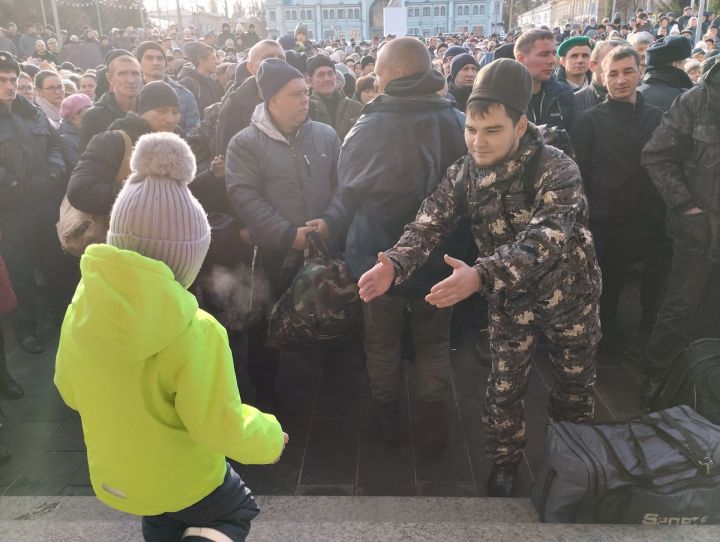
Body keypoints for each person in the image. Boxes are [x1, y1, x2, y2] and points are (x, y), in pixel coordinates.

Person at [358, 57, 601, 497]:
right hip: (509, 298)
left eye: (491, 131)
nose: (477, 142)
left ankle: (572, 464)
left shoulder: (557, 168)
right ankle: (505, 464)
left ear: (520, 126)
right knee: (504, 388)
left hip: (569, 298)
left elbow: (544, 238)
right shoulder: (465, 171)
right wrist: (394, 263)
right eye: (471, 130)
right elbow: (428, 222)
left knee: (574, 388)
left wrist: (478, 276)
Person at [55, 130, 287, 542]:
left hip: (117, 480)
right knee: (236, 508)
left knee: (161, 517)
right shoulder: (196, 330)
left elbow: (68, 389)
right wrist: (269, 437)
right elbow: (219, 425)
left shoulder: (81, 305)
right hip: (186, 480)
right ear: (187, 257)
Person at [339, 37, 467, 454]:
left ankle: (386, 419)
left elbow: (348, 185)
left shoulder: (369, 123)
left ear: (394, 74)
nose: (373, 79)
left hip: (378, 256)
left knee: (380, 342)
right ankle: (433, 428)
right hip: (442, 259)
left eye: (378, 71)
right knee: (433, 343)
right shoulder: (457, 120)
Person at [225, 59, 354, 409]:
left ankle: (334, 375)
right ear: (272, 100)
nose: (305, 100)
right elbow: (243, 195)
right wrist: (287, 234)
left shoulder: (326, 135)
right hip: (274, 253)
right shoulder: (245, 144)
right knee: (265, 325)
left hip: (324, 246)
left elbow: (344, 186)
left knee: (330, 310)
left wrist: (331, 221)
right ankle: (265, 389)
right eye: (296, 94)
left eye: (306, 94)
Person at [571, 46, 667, 350]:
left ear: (640, 72)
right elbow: (580, 173)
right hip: (606, 220)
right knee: (608, 286)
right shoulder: (589, 120)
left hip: (648, 216)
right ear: (601, 76)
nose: (621, 80)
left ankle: (648, 333)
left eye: (628, 71)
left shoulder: (656, 116)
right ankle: (606, 338)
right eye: (613, 73)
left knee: (651, 281)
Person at [640, 59, 720, 408]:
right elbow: (656, 154)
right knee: (679, 307)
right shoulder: (696, 101)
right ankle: (657, 379)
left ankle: (707, 380)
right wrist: (687, 205)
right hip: (698, 232)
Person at [0, 51, 66, 353]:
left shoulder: (32, 113)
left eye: (12, 79)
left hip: (43, 203)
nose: (9, 85)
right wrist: (13, 185)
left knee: (54, 264)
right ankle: (25, 329)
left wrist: (53, 173)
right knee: (21, 273)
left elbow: (54, 145)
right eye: (2, 80)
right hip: (12, 211)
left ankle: (62, 318)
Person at [68, 81, 183, 217]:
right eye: (162, 111)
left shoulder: (180, 143)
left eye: (175, 112)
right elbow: (81, 192)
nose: (170, 119)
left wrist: (211, 176)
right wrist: (148, 190)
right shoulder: (113, 141)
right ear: (142, 112)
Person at [216, 40, 286, 155]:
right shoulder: (235, 105)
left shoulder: (297, 97)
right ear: (250, 67)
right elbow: (227, 155)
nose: (276, 62)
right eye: (268, 58)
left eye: (281, 58)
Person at [79, 51, 142, 152]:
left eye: (135, 73)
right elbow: (86, 161)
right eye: (122, 74)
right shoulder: (94, 116)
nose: (131, 80)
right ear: (109, 78)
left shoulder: (151, 111)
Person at [514, 29, 575, 130]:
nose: (552, 61)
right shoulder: (502, 98)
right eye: (544, 54)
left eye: (553, 54)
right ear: (521, 59)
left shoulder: (564, 94)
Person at [136, 41, 199, 133]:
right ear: (139, 64)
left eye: (160, 58)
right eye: (149, 58)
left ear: (166, 64)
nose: (156, 62)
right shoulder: (133, 93)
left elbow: (193, 134)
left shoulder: (185, 95)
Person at [308, 54, 362, 141]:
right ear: (311, 81)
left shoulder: (355, 108)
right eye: (321, 75)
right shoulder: (305, 109)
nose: (327, 79)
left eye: (330, 73)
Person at [638, 35, 693, 111]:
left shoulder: (635, 94)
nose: (684, 68)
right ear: (675, 64)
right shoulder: (684, 99)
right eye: (683, 63)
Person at [573, 39, 627, 114]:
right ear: (592, 66)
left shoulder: (638, 98)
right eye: (611, 61)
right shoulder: (574, 103)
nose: (618, 67)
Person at [178, 42, 223, 119]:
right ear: (201, 60)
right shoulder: (188, 83)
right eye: (213, 58)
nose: (217, 62)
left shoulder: (212, 82)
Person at [58, 92, 92, 173]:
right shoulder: (65, 140)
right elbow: (76, 168)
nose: (90, 119)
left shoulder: (91, 131)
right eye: (85, 115)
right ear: (72, 117)